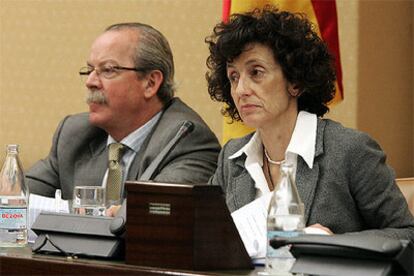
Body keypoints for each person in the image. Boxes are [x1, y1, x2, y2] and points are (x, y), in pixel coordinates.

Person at [206, 7, 414, 242]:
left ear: (294, 81)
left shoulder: (350, 151)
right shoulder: (231, 158)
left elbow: (407, 236)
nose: (241, 90)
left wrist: (332, 244)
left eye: (256, 72)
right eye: (234, 77)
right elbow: (206, 238)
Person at [27, 22, 221, 207]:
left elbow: (151, 217)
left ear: (150, 83)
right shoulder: (74, 134)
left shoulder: (186, 141)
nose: (91, 81)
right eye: (89, 70)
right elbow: (16, 199)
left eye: (108, 70)